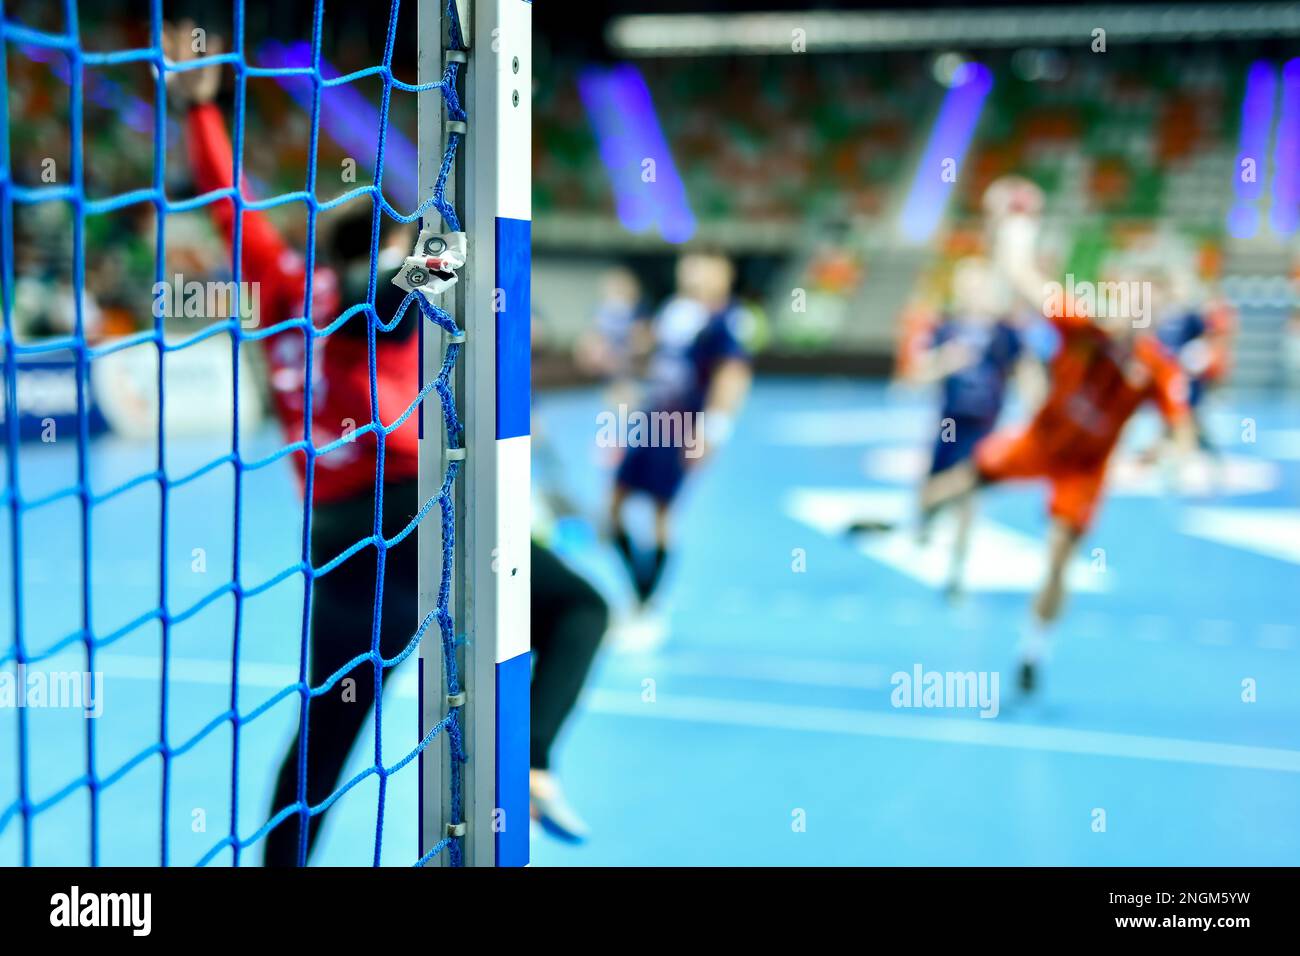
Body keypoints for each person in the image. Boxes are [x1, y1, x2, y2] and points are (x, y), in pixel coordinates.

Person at [164, 24, 426, 865]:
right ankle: (523, 767)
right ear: (388, 247)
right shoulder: (378, 299)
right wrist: (467, 231)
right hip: (412, 511)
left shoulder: (283, 290)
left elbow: (229, 205)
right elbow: (437, 274)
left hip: (330, 527)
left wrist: (200, 115)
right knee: (557, 610)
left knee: (329, 719)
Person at [922, 179, 1197, 694]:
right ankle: (921, 516)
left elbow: (1181, 423)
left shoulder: (1157, 367)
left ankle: (1032, 649)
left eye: (1150, 304)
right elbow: (1022, 276)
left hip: (1084, 466)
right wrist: (1015, 227)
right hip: (1041, 440)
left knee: (1058, 555)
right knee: (960, 484)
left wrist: (1176, 461)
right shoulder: (1081, 323)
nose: (1134, 311)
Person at [608, 251, 752, 646]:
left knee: (661, 516)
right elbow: (651, 362)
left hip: (680, 426)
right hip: (651, 421)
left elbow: (733, 375)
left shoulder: (727, 321)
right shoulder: (675, 311)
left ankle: (647, 608)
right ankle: (639, 595)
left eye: (702, 267)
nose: (690, 273)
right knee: (614, 511)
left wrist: (712, 431)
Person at [901, 256, 1027, 598]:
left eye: (980, 285)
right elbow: (914, 376)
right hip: (948, 424)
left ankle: (956, 574)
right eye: (967, 285)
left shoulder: (1006, 333)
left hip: (984, 424)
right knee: (933, 488)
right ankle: (926, 516)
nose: (974, 293)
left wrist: (1034, 410)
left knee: (971, 497)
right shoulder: (944, 328)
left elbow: (1025, 372)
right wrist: (944, 361)